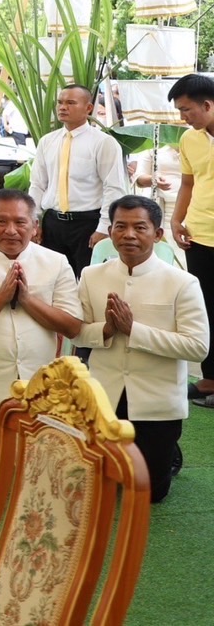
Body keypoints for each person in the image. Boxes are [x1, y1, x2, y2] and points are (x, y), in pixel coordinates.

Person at [78, 195, 210, 502]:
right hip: (105, 397)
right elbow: (79, 333)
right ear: (110, 231)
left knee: (149, 494)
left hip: (156, 402)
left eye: (140, 227)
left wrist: (133, 331)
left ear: (158, 233)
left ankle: (166, 451)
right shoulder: (91, 275)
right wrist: (106, 330)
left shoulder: (182, 282)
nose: (129, 235)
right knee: (96, 488)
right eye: (120, 227)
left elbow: (198, 347)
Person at [0, 189, 80, 469]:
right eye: (1, 222)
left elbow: (71, 326)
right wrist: (0, 297)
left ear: (35, 227)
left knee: (40, 462)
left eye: (20, 223)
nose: (11, 230)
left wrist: (27, 300)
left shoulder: (56, 263)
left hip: (39, 387)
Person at [28, 83, 127, 276]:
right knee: (51, 279)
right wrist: (33, 220)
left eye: (71, 103)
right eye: (60, 102)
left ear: (88, 108)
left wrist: (104, 227)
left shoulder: (103, 142)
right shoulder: (47, 141)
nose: (63, 107)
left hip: (87, 224)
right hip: (53, 223)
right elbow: (38, 184)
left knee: (87, 280)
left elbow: (114, 188)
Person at [169, 74, 214, 403]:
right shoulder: (189, 139)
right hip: (198, 235)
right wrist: (175, 219)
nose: (183, 117)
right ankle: (210, 379)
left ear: (207, 105)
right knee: (206, 307)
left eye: (186, 110)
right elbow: (187, 184)